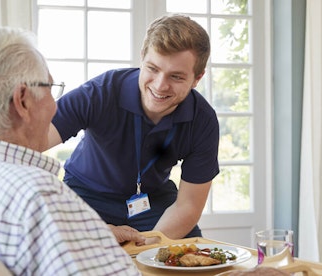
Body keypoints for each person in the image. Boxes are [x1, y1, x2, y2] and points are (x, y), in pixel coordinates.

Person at [0, 26, 141, 275]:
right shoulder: (39, 196)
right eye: (50, 88)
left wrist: (85, 234)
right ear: (23, 100)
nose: (55, 107)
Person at [47, 14, 219, 240]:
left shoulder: (203, 119)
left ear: (197, 78)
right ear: (142, 58)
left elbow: (187, 206)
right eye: (153, 69)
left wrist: (144, 246)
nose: (160, 85)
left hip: (152, 200)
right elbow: (30, 138)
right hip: (86, 195)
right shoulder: (100, 93)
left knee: (189, 261)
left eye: (176, 76)